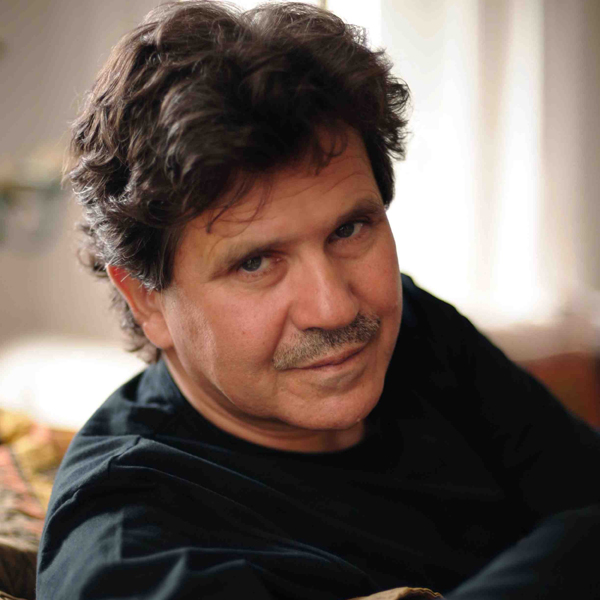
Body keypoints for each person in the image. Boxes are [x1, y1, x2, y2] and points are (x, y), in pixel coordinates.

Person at [37, 2, 600, 599]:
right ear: (147, 302)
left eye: (349, 231)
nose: (335, 309)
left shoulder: (416, 331)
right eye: (255, 262)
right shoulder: (131, 544)